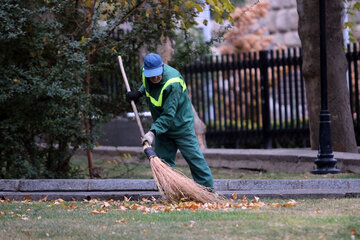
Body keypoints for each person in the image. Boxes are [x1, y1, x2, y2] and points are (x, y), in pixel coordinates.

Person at [126, 53, 214, 189]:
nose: (155, 77)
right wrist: (139, 92)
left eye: (157, 73)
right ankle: (168, 193)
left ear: (162, 66)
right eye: (151, 75)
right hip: (162, 128)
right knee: (163, 162)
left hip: (181, 126)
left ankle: (208, 192)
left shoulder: (173, 82)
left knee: (195, 160)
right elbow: (148, 85)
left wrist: (152, 133)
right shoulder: (146, 72)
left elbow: (168, 115)